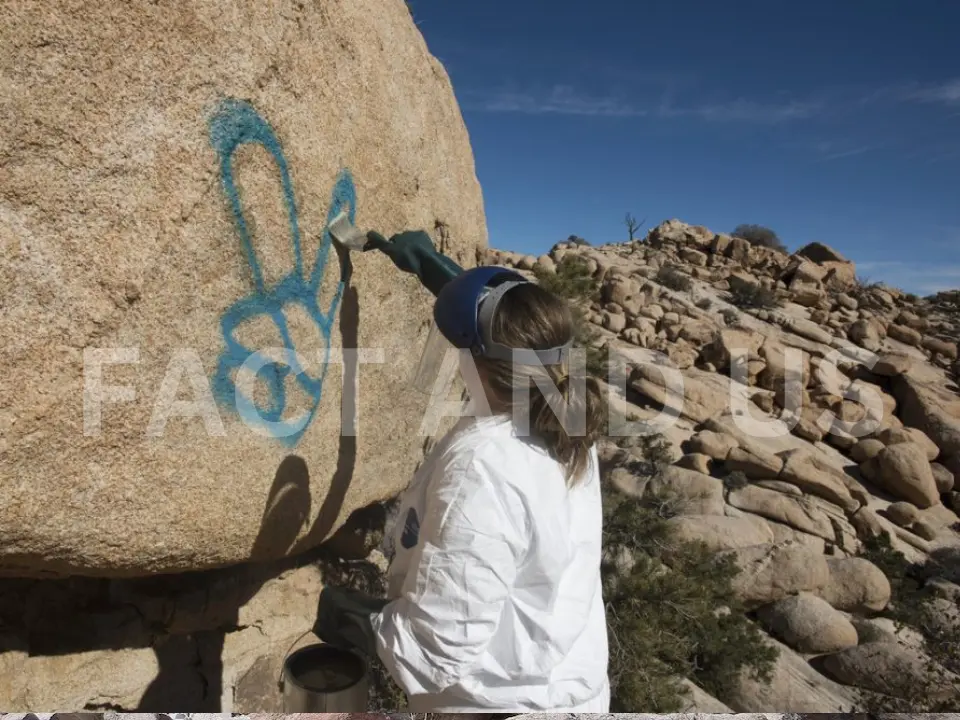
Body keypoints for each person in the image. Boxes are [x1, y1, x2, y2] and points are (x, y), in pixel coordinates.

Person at [314, 230, 610, 713]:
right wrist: (433, 268)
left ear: (476, 358)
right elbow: (512, 338)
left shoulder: (485, 466)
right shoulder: (564, 421)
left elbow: (436, 650)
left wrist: (358, 620)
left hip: (503, 705)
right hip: (571, 688)